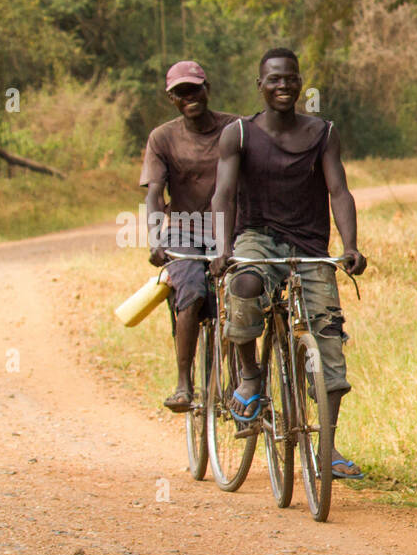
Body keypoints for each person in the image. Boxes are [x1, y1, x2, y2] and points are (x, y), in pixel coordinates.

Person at [210, 47, 368, 480]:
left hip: (310, 248)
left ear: (300, 84)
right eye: (274, 79)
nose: (283, 86)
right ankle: (249, 378)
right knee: (242, 287)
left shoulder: (323, 133)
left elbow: (339, 191)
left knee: (329, 337)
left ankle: (328, 451)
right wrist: (224, 248)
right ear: (259, 85)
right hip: (257, 239)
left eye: (291, 79)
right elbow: (223, 195)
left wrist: (349, 246)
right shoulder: (238, 134)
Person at [140, 60, 237, 411]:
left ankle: (246, 385)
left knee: (246, 296)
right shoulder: (162, 138)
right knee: (193, 291)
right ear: (172, 99)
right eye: (180, 93)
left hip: (232, 227)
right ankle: (184, 383)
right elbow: (154, 193)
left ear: (207, 88)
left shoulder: (235, 128)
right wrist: (155, 238)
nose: (189, 97)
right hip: (183, 229)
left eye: (193, 89)